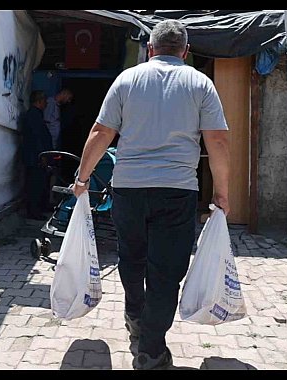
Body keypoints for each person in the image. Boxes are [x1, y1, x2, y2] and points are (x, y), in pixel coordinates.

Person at [71, 20, 230, 370]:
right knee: (165, 271)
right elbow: (217, 140)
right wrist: (221, 192)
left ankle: (135, 320)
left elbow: (101, 131)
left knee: (132, 258)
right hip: (176, 192)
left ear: (150, 49)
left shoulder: (126, 80)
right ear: (185, 52)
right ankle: (151, 350)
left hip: (128, 190)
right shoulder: (200, 82)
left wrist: (82, 179)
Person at [21, 90, 53, 220]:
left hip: (36, 157)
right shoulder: (33, 115)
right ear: (39, 101)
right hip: (35, 158)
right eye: (44, 101)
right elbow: (36, 137)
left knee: (40, 184)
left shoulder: (36, 115)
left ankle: (40, 207)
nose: (46, 104)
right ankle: (33, 211)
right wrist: (42, 155)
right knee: (35, 185)